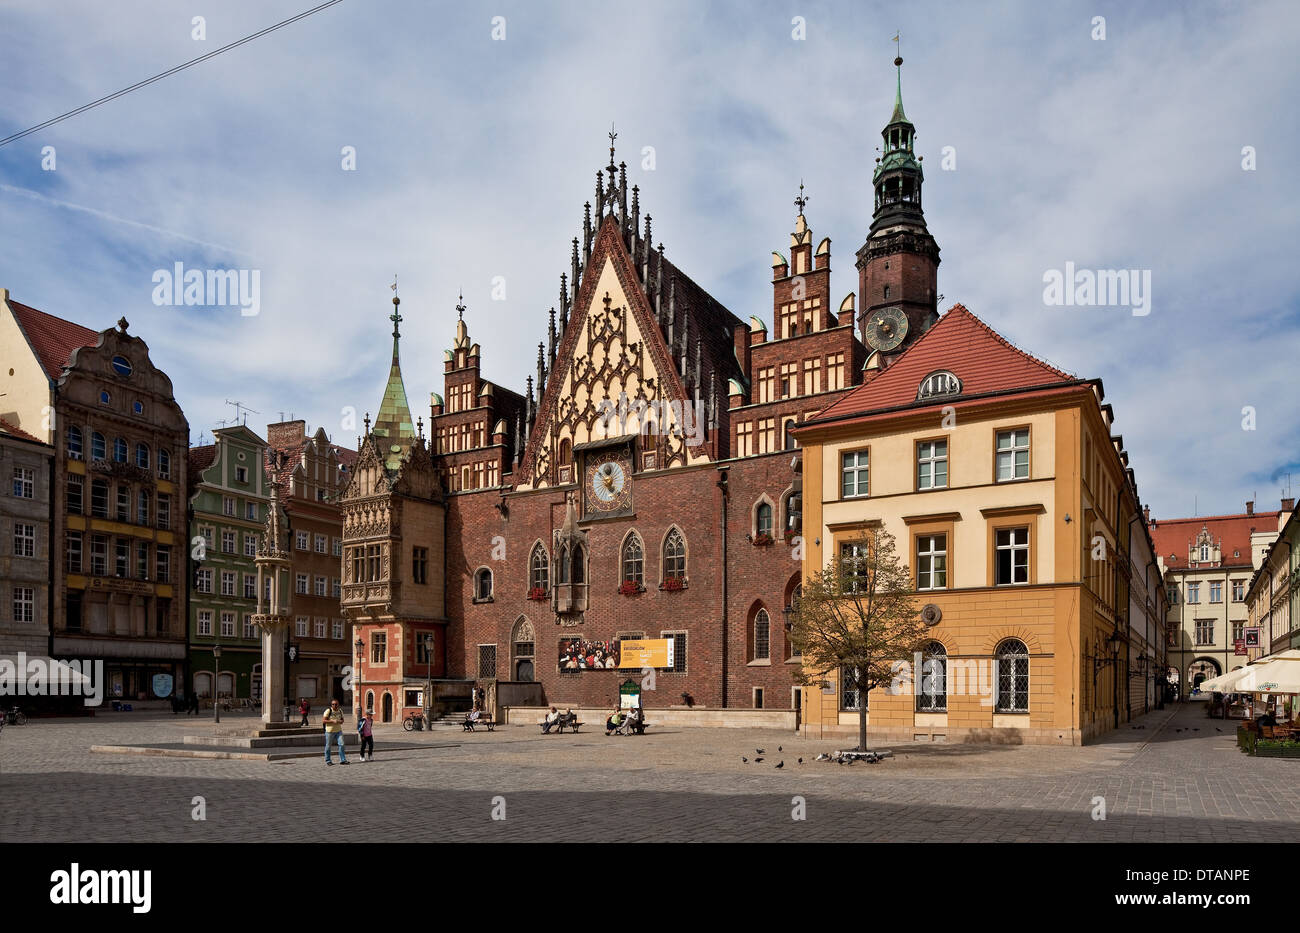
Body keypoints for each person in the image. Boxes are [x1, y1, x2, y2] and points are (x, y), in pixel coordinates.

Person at [323, 698, 348, 765]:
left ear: (338, 704)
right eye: (333, 704)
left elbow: (342, 720)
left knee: (342, 744)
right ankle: (328, 760)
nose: (334, 705)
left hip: (338, 731)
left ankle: (343, 760)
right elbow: (324, 721)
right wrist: (332, 721)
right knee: (328, 746)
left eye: (336, 704)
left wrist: (339, 721)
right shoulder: (328, 711)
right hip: (329, 731)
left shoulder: (340, 711)